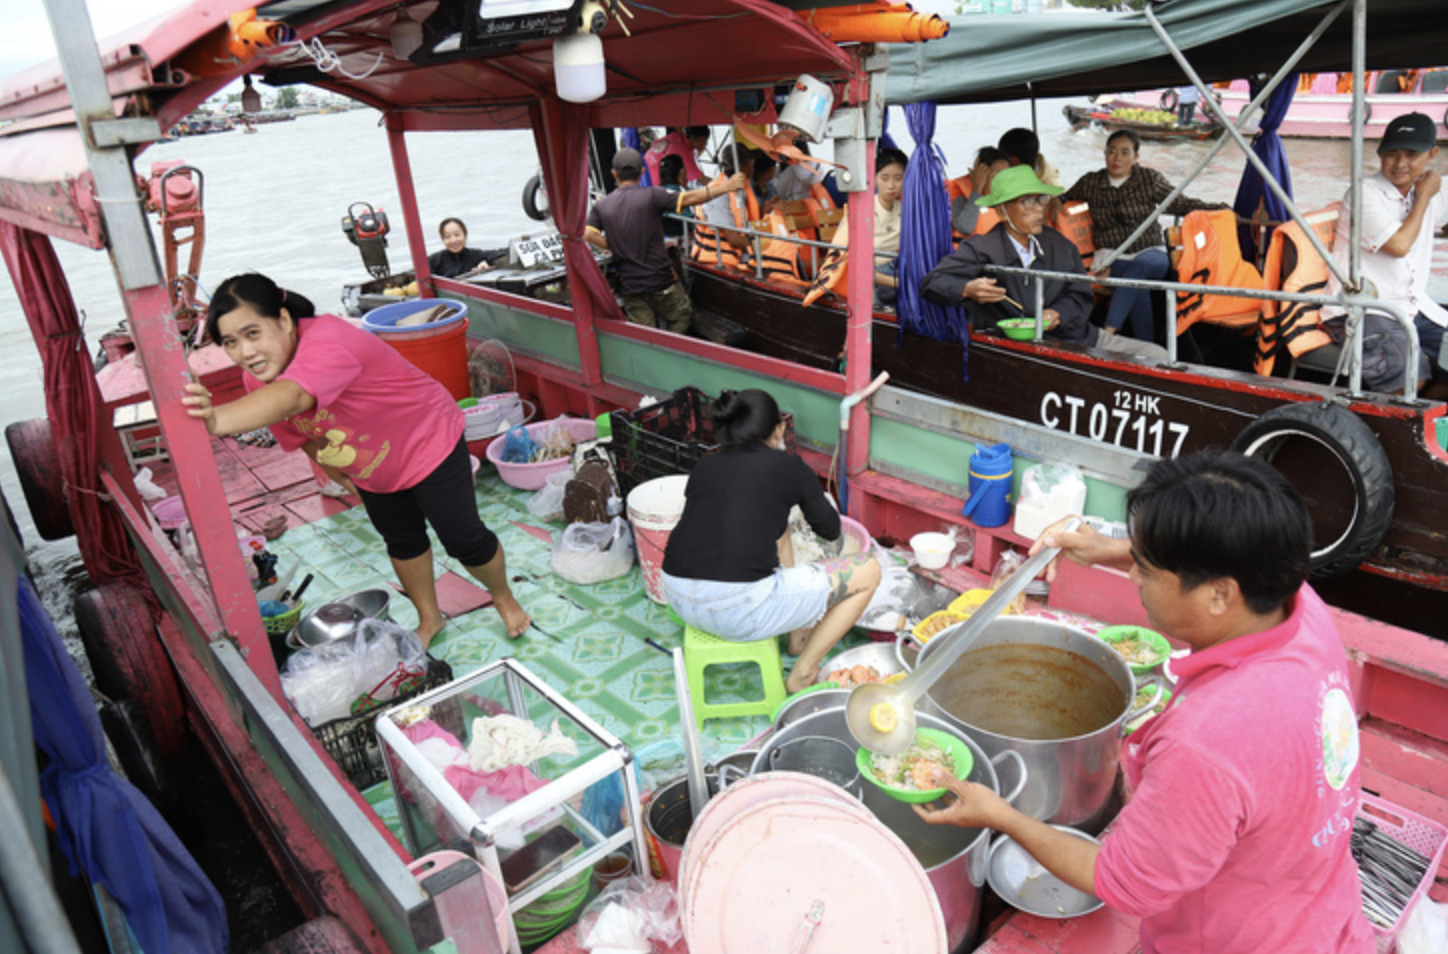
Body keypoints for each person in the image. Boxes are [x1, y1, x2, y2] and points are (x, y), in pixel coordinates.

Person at [916, 451, 1374, 954]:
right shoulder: (1298, 607)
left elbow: (1120, 882)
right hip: (1322, 915)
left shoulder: (1207, 743)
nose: (1134, 578)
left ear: (1220, 595)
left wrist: (999, 815)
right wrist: (1107, 549)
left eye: (1148, 570)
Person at [182, 273, 531, 644]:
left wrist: (217, 419)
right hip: (372, 464)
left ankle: (503, 598)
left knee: (463, 538)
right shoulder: (257, 383)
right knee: (402, 541)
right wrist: (340, 472)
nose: (245, 353)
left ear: (283, 320)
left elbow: (295, 398)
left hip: (427, 440)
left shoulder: (329, 340)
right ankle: (430, 618)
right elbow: (304, 435)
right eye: (230, 343)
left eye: (253, 334)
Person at [660, 389, 881, 693]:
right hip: (739, 612)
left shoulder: (706, 465)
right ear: (779, 429)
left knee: (779, 528)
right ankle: (803, 672)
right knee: (869, 570)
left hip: (677, 595)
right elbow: (830, 530)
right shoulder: (788, 466)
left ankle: (796, 636)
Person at [921, 165, 1166, 359]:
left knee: (1159, 355)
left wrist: (1057, 313)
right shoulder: (982, 248)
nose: (1038, 209)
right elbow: (932, 282)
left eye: (1040, 200)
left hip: (1077, 338)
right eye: (1027, 202)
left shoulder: (1059, 245)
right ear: (1002, 211)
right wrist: (968, 289)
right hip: (1018, 347)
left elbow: (1080, 295)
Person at [1321, 112, 1448, 395]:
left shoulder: (1431, 189)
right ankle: (1399, 432)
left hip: (1411, 305)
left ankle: (1434, 430)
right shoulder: (1365, 194)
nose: (1400, 164)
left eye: (1412, 154)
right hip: (1359, 308)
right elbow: (1399, 245)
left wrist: (1428, 196)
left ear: (1432, 154)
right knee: (1406, 371)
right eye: (1391, 154)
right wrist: (1425, 197)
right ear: (1379, 155)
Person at [1061, 130, 1227, 342]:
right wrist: (1056, 201)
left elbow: (1180, 203)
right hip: (1113, 258)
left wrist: (1219, 209)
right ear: (1104, 154)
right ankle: (1148, 347)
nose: (1117, 158)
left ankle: (1108, 332)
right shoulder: (1091, 182)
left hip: (1151, 253)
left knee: (1139, 267)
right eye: (1111, 152)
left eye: (1124, 152)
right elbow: (1064, 196)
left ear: (1136, 157)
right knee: (1136, 285)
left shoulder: (1149, 179)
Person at [586, 147, 746, 333]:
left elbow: (588, 234)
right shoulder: (653, 195)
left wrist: (614, 246)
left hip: (631, 287)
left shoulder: (602, 205)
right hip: (660, 281)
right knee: (682, 315)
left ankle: (654, 354)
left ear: (614, 174)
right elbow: (691, 198)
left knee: (644, 334)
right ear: (642, 172)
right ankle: (671, 345)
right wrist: (726, 187)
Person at [871, 147, 909, 308]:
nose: (891, 186)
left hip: (899, 268)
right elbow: (852, 265)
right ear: (874, 178)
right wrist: (898, 282)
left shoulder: (905, 210)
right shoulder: (865, 212)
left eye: (898, 178)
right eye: (884, 178)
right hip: (876, 277)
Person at [947, 146, 1009, 239]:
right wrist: (977, 190)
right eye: (997, 174)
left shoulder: (1010, 200)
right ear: (981, 173)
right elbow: (965, 228)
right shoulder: (961, 196)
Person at [427, 218, 505, 279]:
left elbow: (504, 252)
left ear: (465, 235)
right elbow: (417, 275)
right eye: (447, 237)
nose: (453, 240)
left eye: (457, 235)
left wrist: (487, 263)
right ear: (443, 239)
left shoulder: (476, 255)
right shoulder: (435, 260)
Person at [644, 125, 711, 187]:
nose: (705, 145)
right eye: (704, 141)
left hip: (643, 171)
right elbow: (702, 180)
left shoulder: (677, 136)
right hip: (652, 182)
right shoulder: (683, 150)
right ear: (694, 139)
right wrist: (720, 185)